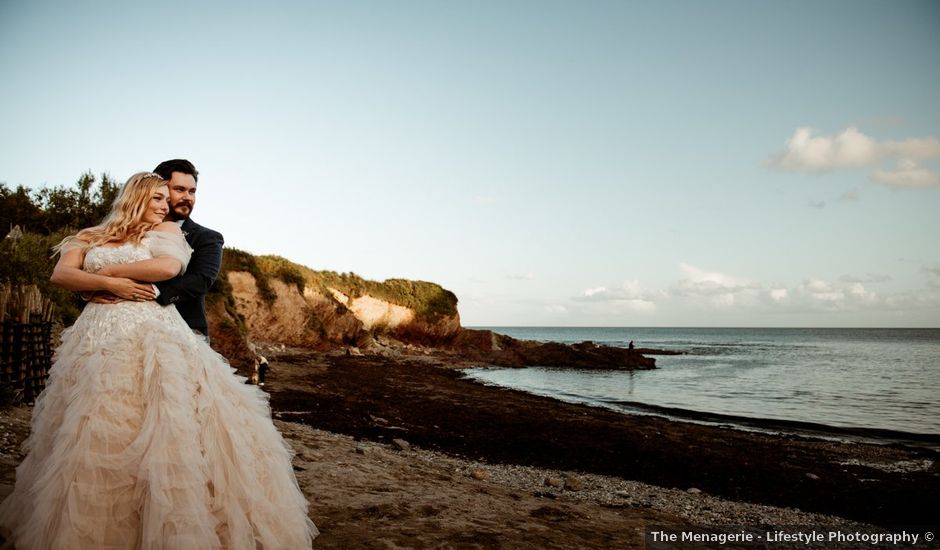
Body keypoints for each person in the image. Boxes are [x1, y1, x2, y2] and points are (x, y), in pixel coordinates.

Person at [0, 172, 318, 549]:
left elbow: (168, 269)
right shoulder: (88, 235)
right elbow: (61, 274)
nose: (165, 206)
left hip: (151, 331)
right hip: (96, 335)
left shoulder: (166, 234)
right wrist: (105, 285)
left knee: (157, 418)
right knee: (93, 417)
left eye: (169, 200)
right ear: (135, 197)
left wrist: (103, 275)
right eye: (158, 199)